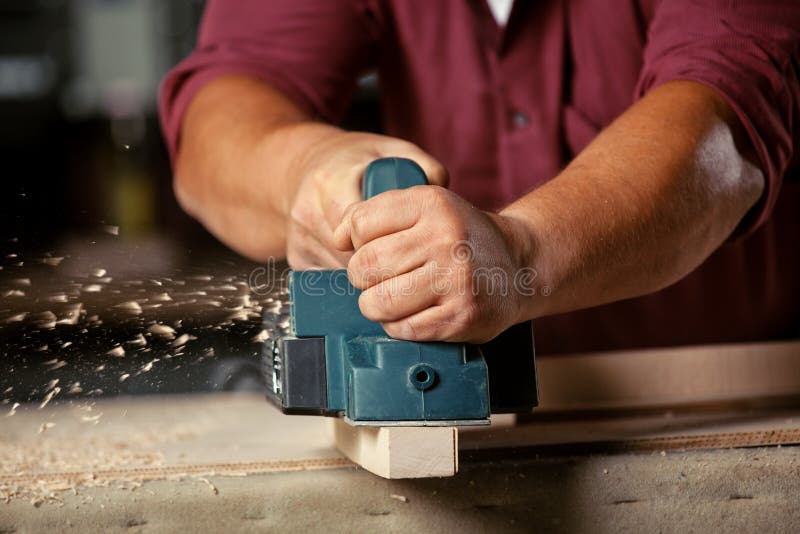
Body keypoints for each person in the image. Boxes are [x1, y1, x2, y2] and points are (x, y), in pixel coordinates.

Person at [159, 1, 800, 354]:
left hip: (726, 390)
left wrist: (517, 256)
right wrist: (300, 170)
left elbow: (724, 124)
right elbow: (221, 113)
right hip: (474, 425)